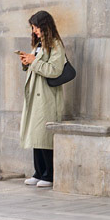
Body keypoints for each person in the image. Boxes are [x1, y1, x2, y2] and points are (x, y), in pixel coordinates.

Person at [19, 10, 68, 187]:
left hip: (46, 95)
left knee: (44, 135)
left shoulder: (55, 45)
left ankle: (49, 174)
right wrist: (27, 62)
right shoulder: (40, 44)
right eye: (33, 28)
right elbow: (37, 66)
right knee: (35, 134)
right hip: (35, 93)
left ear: (44, 26)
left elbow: (54, 70)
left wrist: (33, 61)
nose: (34, 31)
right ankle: (38, 172)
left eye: (36, 27)